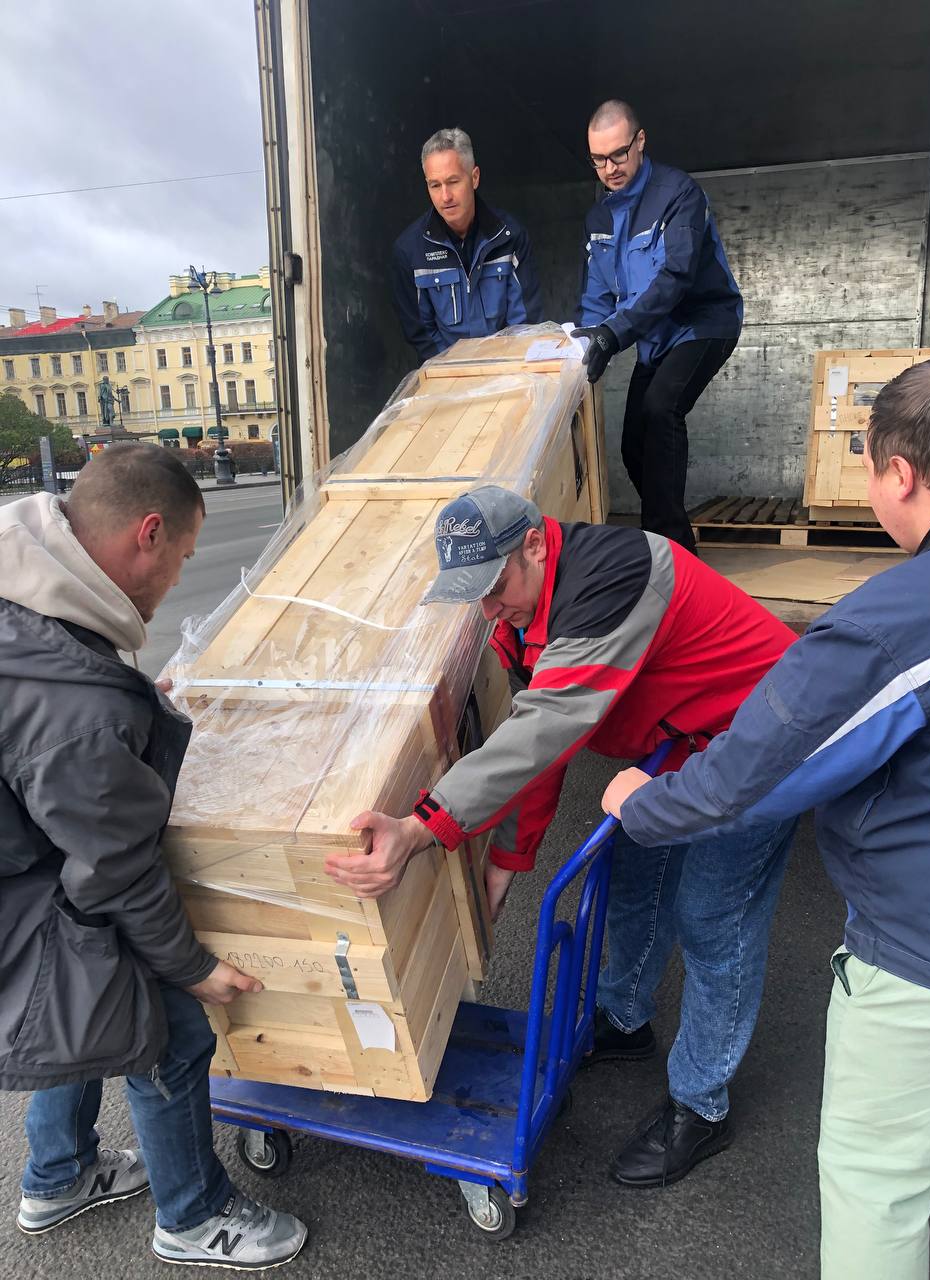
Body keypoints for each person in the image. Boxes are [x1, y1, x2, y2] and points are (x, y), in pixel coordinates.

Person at [600, 357, 930, 1279]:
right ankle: (629, 1026)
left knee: (876, 1190)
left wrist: (645, 805)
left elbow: (759, 773)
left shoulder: (899, 620)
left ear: (898, 474)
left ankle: (700, 1105)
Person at [327, 484, 798, 1186]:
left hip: (760, 737)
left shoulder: (614, 579)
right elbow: (540, 742)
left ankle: (702, 1106)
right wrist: (505, 860)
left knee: (714, 920)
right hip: (682, 746)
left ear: (535, 545)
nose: (488, 610)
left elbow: (547, 727)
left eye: (494, 588)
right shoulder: (527, 614)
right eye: (474, 596)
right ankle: (625, 1020)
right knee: (634, 873)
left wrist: (425, 827)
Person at [0, 446, 307, 1269]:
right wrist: (194, 968)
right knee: (164, 1029)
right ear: (148, 534)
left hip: (23, 869)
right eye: (183, 555)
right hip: (30, 891)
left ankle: (58, 1176)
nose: (178, 576)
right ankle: (193, 1215)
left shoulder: (25, 583)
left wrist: (134, 708)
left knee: (74, 1010)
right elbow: (117, 869)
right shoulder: (73, 704)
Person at [572, 100, 742, 552]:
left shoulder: (679, 194)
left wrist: (614, 334)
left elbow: (675, 278)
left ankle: (672, 552)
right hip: (654, 339)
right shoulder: (599, 218)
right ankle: (666, 536)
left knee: (661, 409)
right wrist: (581, 346)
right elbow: (597, 296)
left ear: (640, 141)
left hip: (702, 323)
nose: (609, 168)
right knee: (633, 445)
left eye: (618, 154)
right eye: (598, 160)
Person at [391, 127, 543, 363]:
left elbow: (524, 324)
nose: (445, 197)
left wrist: (505, 373)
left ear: (474, 178)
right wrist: (457, 372)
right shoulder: (410, 251)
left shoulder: (510, 237)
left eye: (453, 182)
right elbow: (422, 335)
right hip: (446, 374)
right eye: (435, 185)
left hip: (509, 370)